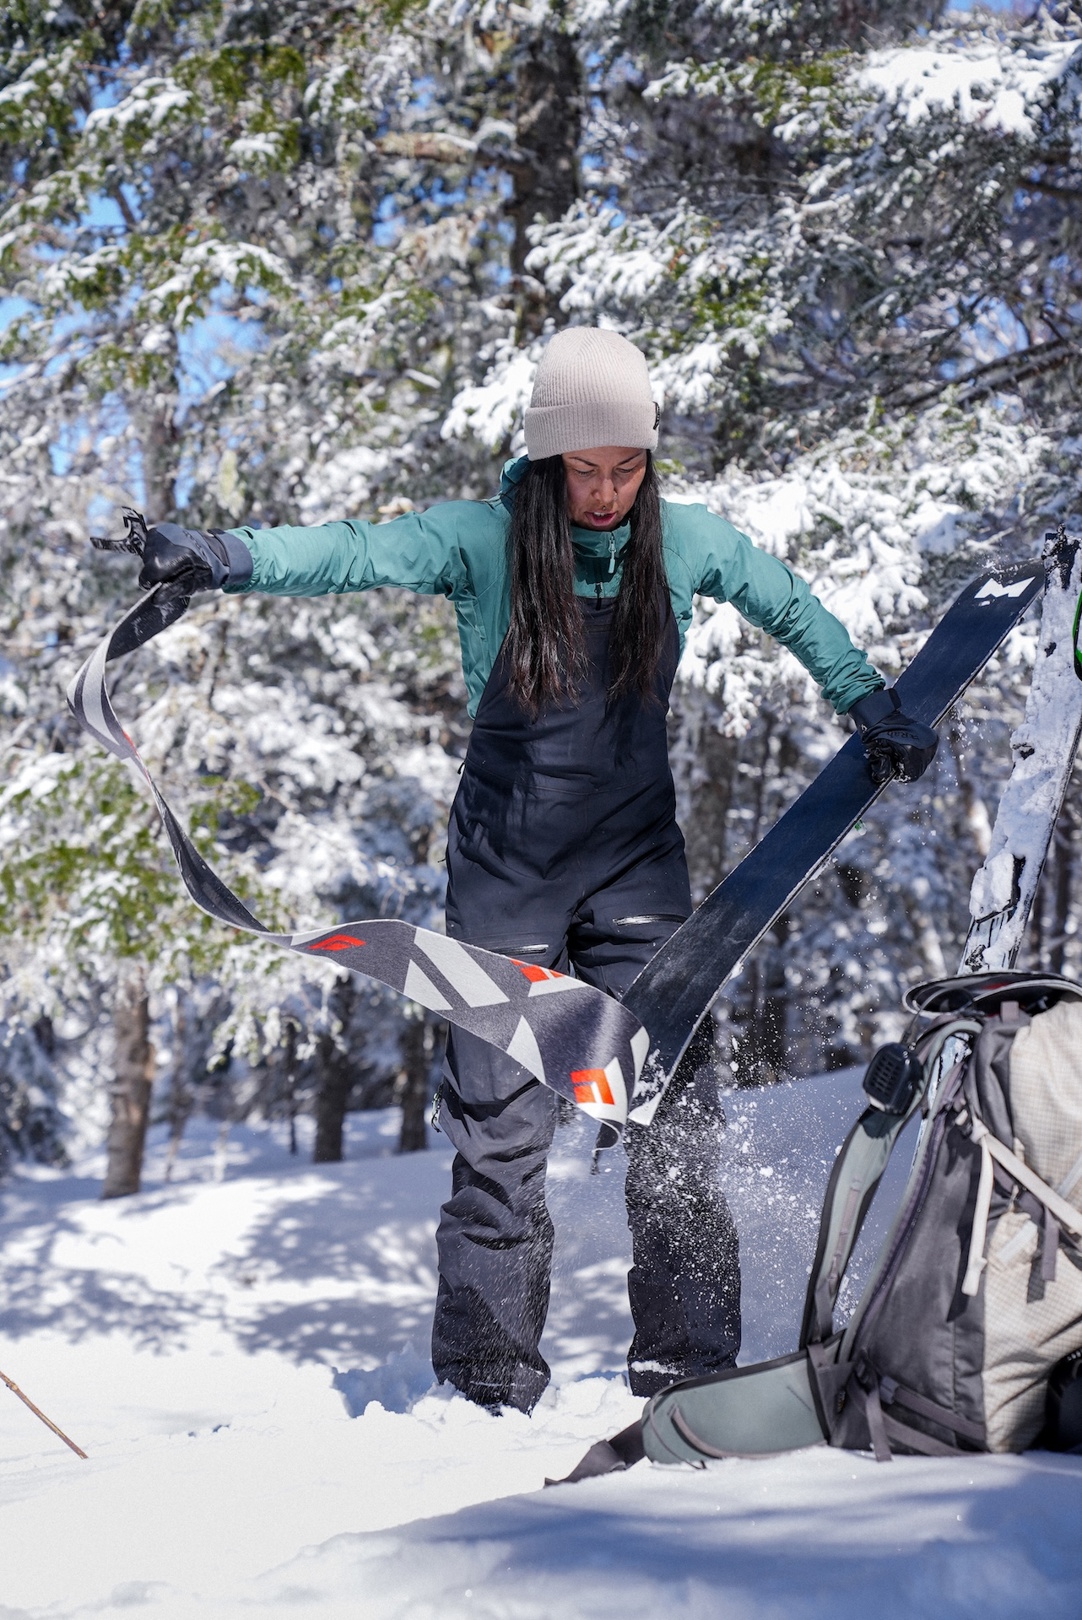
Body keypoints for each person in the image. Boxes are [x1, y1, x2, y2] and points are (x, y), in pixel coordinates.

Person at [137, 327, 937, 1411]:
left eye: (625, 466)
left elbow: (787, 603)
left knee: (671, 1127)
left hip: (638, 876)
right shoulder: (481, 540)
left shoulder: (685, 544)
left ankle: (688, 1373)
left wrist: (865, 698)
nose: (604, 491)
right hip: (503, 879)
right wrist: (225, 558)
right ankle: (485, 1382)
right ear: (546, 458)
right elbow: (351, 552)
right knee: (500, 1141)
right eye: (582, 468)